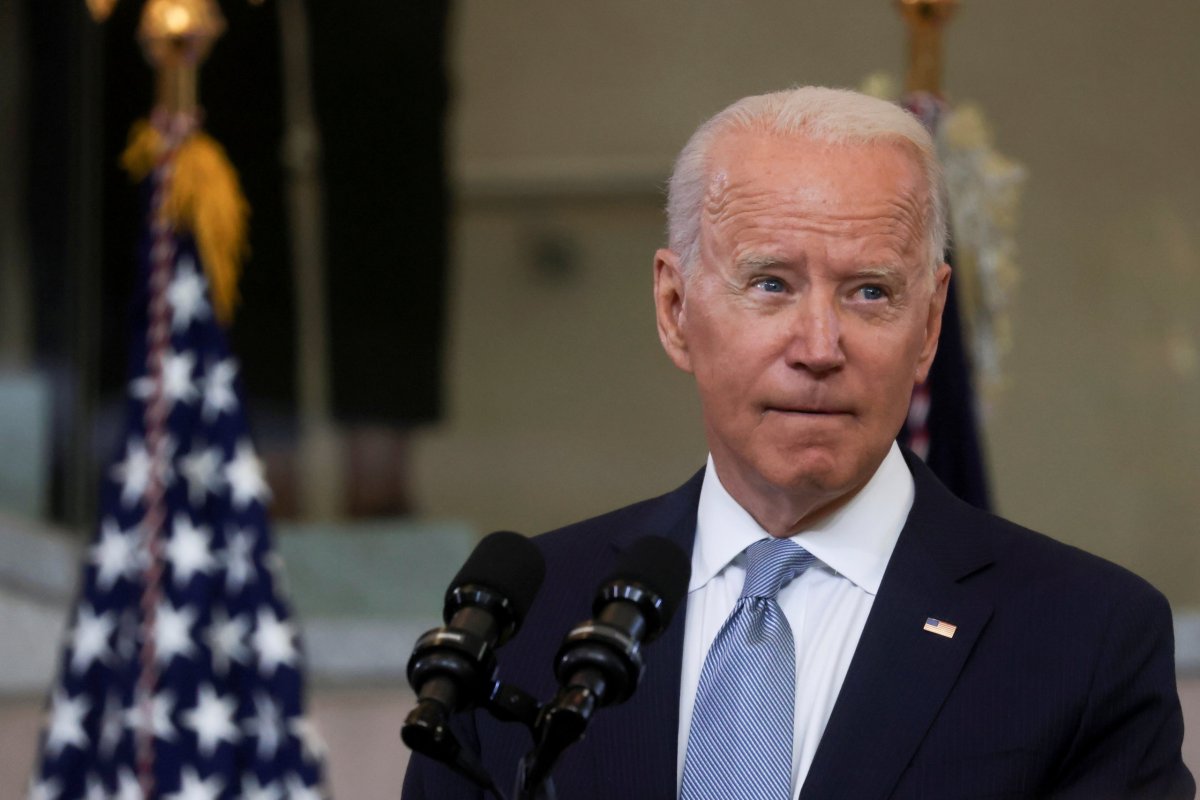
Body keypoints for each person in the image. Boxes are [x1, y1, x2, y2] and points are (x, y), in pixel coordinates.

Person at [403, 87, 1194, 799]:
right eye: (772, 283)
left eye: (870, 291)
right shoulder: (531, 623)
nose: (819, 345)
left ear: (928, 325)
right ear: (676, 308)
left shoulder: (1082, 638)